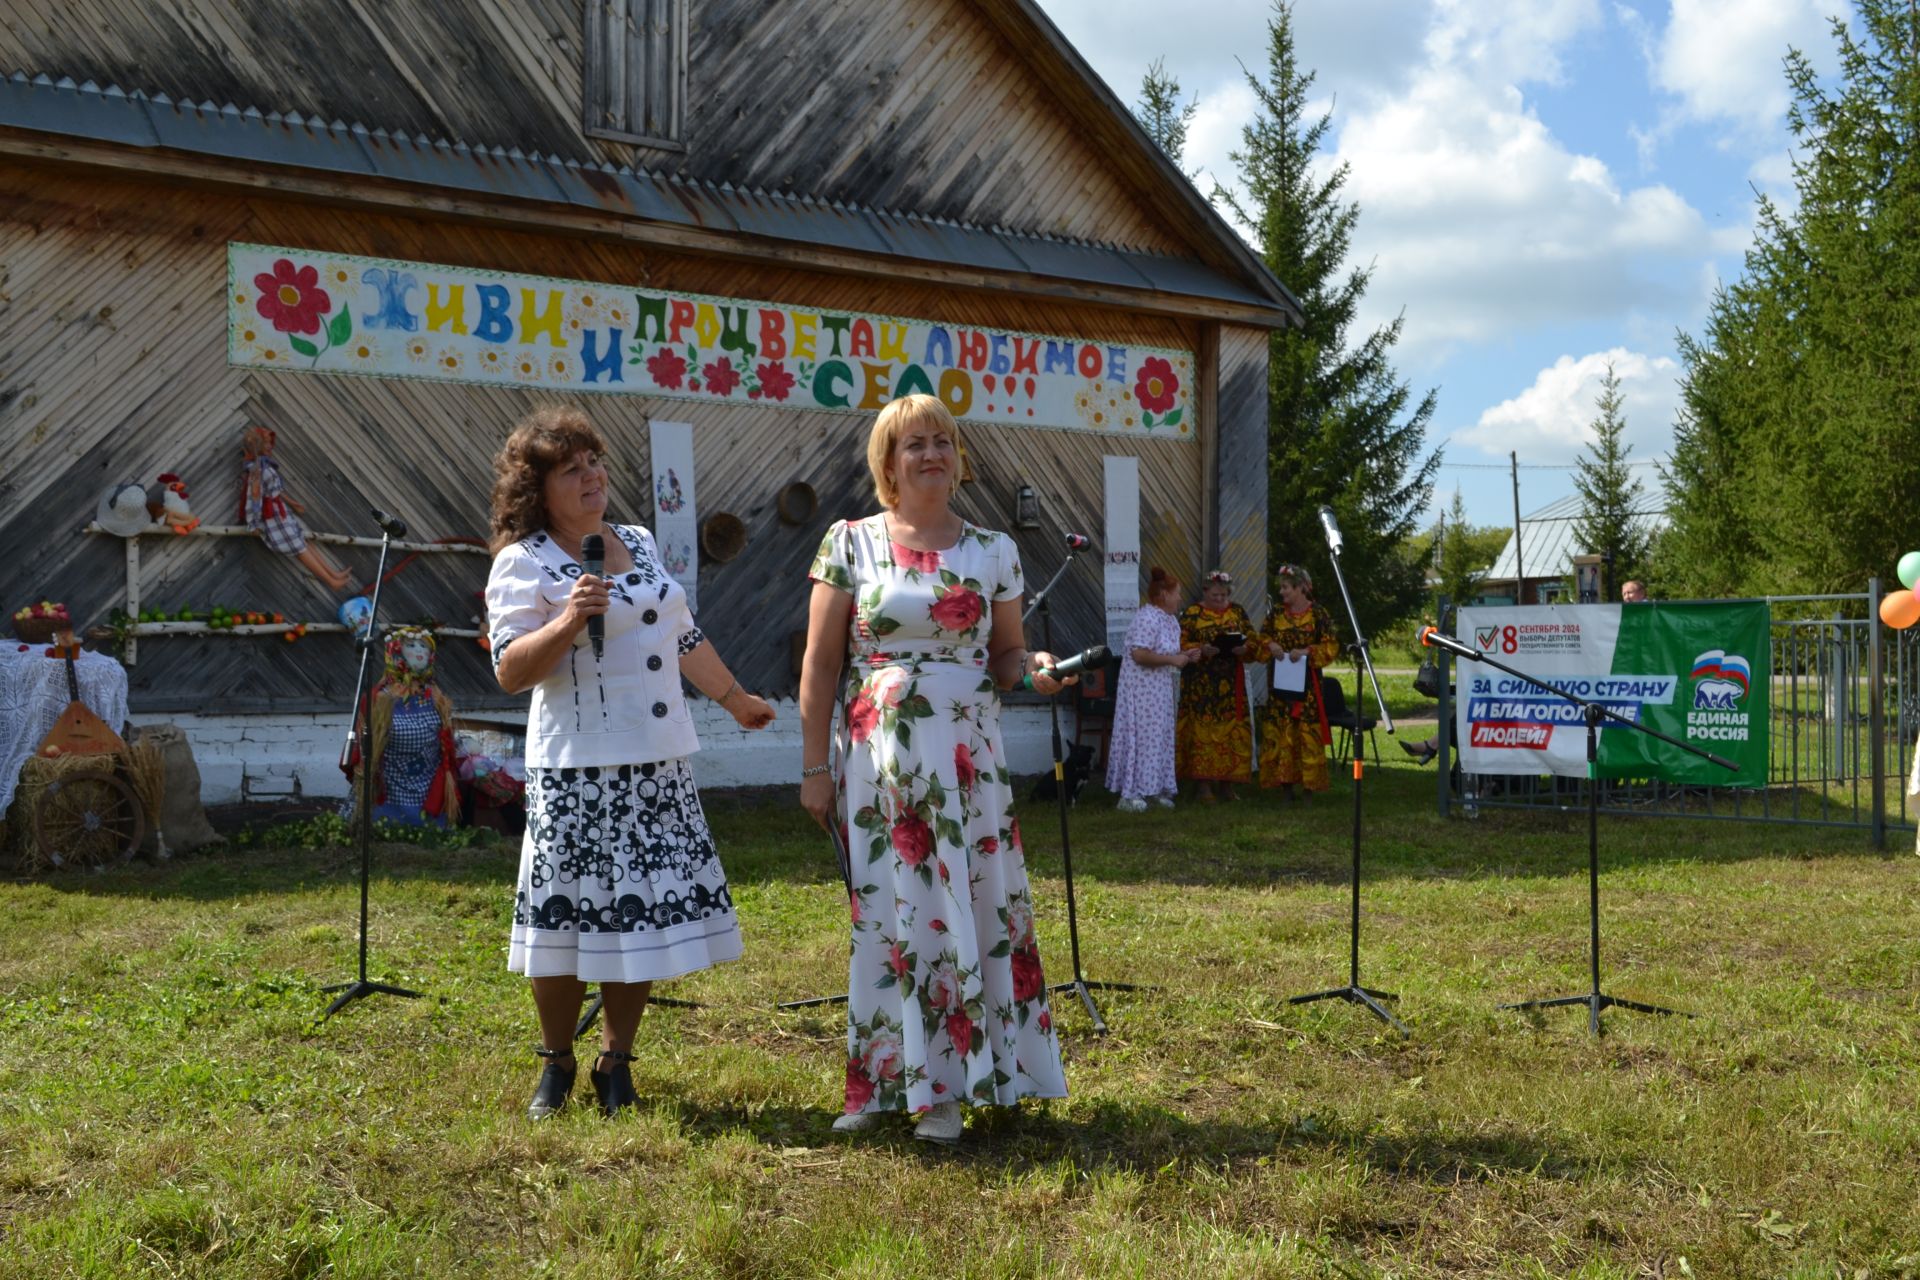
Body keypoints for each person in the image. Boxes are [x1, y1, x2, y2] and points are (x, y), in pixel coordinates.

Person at [485, 406, 774, 1121]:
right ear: (537, 490)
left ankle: (616, 1061)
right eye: (571, 469)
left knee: (639, 919)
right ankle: (556, 1062)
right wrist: (566, 620)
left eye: (595, 463)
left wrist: (735, 699)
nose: (591, 477)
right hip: (578, 771)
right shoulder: (524, 562)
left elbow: (683, 636)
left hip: (654, 766)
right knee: (563, 922)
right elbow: (510, 671)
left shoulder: (639, 543)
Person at [799, 393, 1069, 1146]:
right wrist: (813, 765)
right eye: (913, 443)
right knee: (889, 914)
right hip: (880, 762)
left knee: (972, 908)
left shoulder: (992, 550)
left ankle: (964, 1084)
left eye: (942, 441)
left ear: (958, 455)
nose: (931, 455)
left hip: (967, 760)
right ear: (888, 461)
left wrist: (1038, 666)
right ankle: (883, 1080)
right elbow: (820, 665)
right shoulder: (848, 542)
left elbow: (1008, 658)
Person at [1106, 567, 1200, 811]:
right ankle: (1132, 793)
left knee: (1160, 737)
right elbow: (1139, 654)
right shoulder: (1147, 617)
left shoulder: (1169, 620)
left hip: (1160, 689)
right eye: (1176, 593)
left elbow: (1164, 651)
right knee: (1143, 737)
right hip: (1141, 690)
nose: (1180, 597)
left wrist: (1184, 655)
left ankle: (1155, 787)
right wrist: (1172, 660)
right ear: (1164, 594)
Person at [1257, 564, 1340, 799]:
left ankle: (1309, 789)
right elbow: (1261, 638)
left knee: (1306, 734)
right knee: (1282, 733)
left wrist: (1306, 651)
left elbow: (1331, 645)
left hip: (1308, 689)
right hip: (1280, 687)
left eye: (1285, 588)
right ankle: (1285, 787)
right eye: (1281, 588)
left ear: (1300, 588)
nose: (1281, 592)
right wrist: (1271, 645)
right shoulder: (1276, 615)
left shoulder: (1318, 614)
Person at [1175, 571, 1256, 802]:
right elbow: (1179, 641)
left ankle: (1227, 785)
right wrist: (1201, 648)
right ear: (1205, 591)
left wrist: (1246, 648)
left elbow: (1251, 637)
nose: (1220, 599)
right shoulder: (1192, 613)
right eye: (1215, 595)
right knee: (1203, 732)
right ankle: (1202, 785)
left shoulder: (1237, 611)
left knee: (1232, 731)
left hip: (1231, 684)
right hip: (1201, 684)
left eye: (1224, 595)